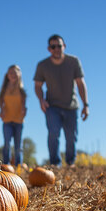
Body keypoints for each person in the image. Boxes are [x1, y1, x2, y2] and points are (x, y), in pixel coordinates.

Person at [34, 34, 89, 166]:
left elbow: (81, 83)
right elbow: (38, 86)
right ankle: (55, 164)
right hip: (52, 106)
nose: (56, 49)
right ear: (49, 49)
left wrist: (85, 105)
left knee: (71, 137)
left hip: (71, 106)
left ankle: (70, 163)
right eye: (53, 46)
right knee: (53, 133)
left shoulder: (73, 61)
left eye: (59, 46)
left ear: (64, 46)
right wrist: (41, 100)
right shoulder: (42, 65)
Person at [0, 65, 27, 166]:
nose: (13, 75)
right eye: (11, 73)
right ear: (7, 75)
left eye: (15, 73)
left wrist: (24, 111)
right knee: (7, 143)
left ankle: (19, 165)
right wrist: (1, 110)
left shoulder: (21, 90)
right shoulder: (4, 88)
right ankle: (6, 164)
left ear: (19, 74)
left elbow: (24, 105)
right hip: (7, 120)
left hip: (19, 120)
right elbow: (1, 101)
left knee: (18, 146)